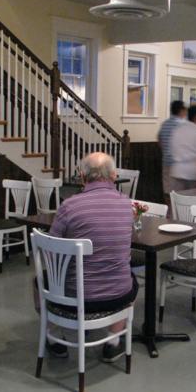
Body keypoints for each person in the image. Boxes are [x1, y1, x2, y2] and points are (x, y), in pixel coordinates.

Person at [49, 152, 137, 361]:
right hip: (118, 296)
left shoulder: (69, 206)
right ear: (114, 176)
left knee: (39, 280)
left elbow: (51, 251)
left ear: (82, 176)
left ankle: (53, 338)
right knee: (131, 279)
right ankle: (113, 342)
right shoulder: (127, 205)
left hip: (74, 297)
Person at [169, 104, 196, 191]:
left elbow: (171, 150)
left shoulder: (177, 130)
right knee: (193, 198)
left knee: (178, 198)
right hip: (192, 173)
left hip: (177, 171)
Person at [158, 100, 187, 203]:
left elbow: (160, 141)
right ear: (181, 111)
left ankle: (169, 211)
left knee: (167, 191)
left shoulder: (165, 124)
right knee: (180, 194)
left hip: (167, 162)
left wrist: (167, 152)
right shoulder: (183, 125)